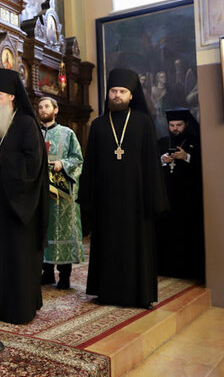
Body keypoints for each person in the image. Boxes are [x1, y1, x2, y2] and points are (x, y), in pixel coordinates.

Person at [79, 68, 167, 309]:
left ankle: (137, 294)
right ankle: (106, 292)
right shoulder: (98, 125)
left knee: (135, 247)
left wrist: (154, 198)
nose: (117, 95)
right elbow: (91, 164)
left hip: (136, 201)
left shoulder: (143, 122)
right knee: (108, 245)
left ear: (131, 95)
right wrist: (87, 198)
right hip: (107, 200)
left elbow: (151, 163)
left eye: (122, 92)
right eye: (113, 91)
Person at [0, 68, 49, 324]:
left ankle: (18, 309)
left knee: (17, 257)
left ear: (11, 96)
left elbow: (34, 163)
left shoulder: (27, 123)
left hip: (19, 204)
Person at [37, 97, 84, 290]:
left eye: (47, 106)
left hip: (62, 192)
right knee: (43, 229)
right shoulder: (33, 133)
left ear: (55, 109)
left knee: (62, 228)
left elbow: (78, 159)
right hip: (39, 191)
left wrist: (62, 164)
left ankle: (65, 276)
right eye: (40, 107)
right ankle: (46, 273)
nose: (43, 110)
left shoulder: (67, 133)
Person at [157, 108, 204, 280]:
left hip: (187, 199)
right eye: (172, 125)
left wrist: (186, 157)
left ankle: (186, 271)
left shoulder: (195, 142)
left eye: (179, 125)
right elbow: (149, 166)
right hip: (167, 198)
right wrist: (162, 160)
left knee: (186, 235)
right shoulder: (162, 142)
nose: (175, 128)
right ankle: (166, 268)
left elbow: (203, 167)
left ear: (185, 125)